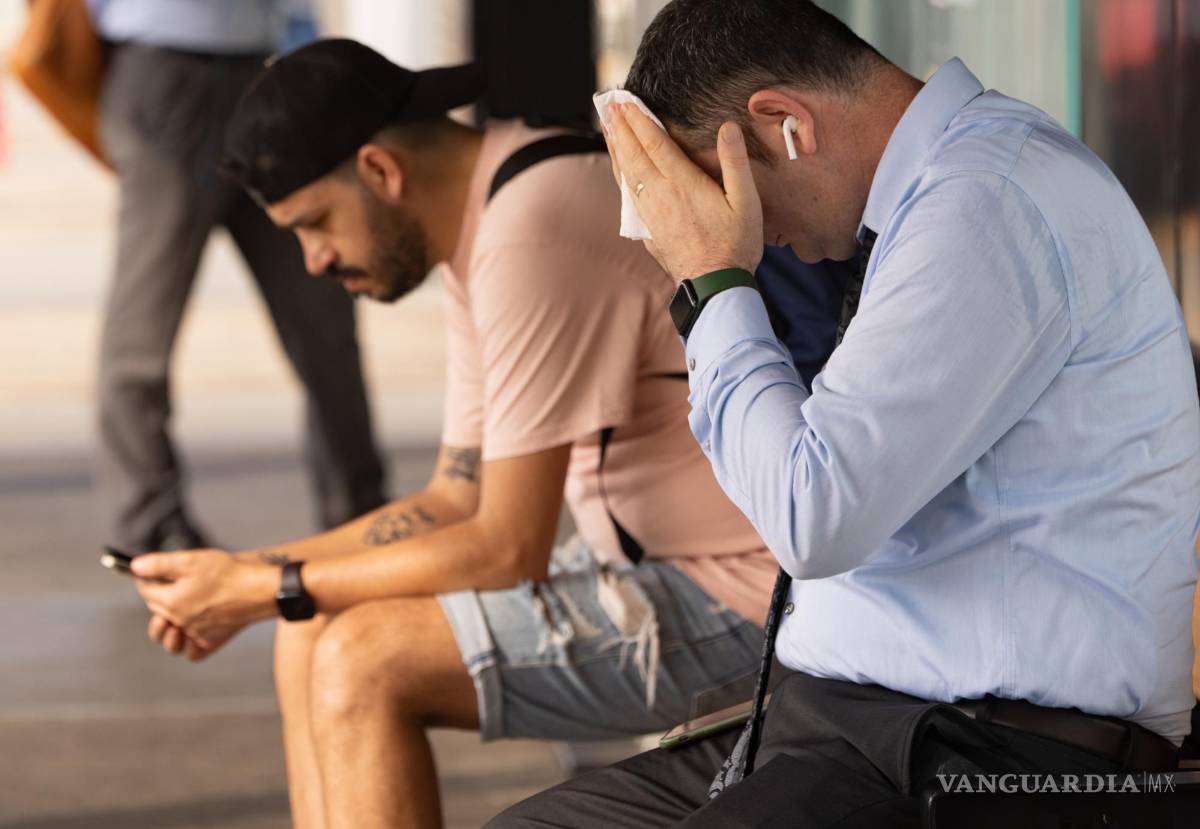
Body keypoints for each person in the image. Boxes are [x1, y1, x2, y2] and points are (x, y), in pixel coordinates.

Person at [491, 1, 1200, 826]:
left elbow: (813, 514)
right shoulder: (942, 194)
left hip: (989, 753)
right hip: (861, 727)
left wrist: (714, 283)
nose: (742, 227)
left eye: (717, 189)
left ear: (786, 124)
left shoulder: (987, 200)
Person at [127, 39, 777, 829]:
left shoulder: (530, 228)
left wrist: (263, 587)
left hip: (748, 595)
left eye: (315, 223)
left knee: (364, 662)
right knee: (307, 631)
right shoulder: (488, 216)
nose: (314, 260)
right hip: (658, 565)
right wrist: (247, 572)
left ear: (379, 170)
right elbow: (453, 497)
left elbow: (505, 548)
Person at [87, 0, 385, 550]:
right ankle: (150, 535)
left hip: (265, 65)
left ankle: (362, 519)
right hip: (167, 68)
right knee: (141, 341)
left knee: (326, 316)